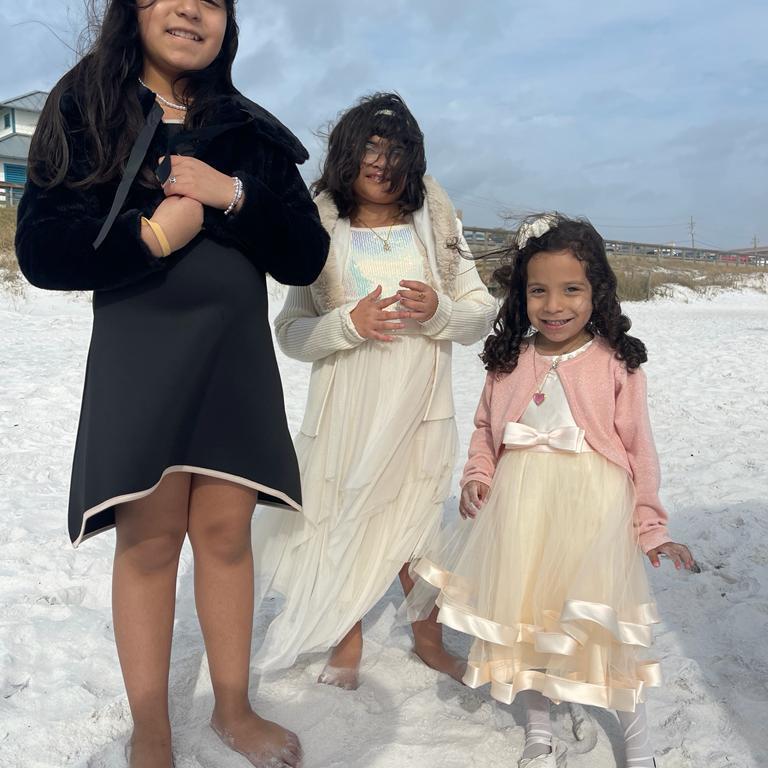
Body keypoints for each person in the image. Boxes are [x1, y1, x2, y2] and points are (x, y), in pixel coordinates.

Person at [15, 1, 328, 766]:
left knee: (225, 536)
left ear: (228, 22)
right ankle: (151, 726)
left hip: (233, 358)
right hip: (142, 354)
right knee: (150, 542)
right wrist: (150, 236)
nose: (191, 8)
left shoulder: (249, 130)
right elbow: (43, 249)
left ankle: (233, 708)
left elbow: (306, 254)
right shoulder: (87, 106)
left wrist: (234, 194)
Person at [405, 213, 696, 767]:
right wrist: (478, 475)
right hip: (520, 511)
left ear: (597, 292)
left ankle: (636, 741)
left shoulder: (615, 363)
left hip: (594, 511)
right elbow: (486, 430)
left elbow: (641, 450)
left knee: (602, 627)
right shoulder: (509, 360)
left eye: (571, 290)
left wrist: (652, 528)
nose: (554, 304)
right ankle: (538, 728)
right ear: (521, 295)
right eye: (538, 290)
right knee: (526, 622)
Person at [250, 93, 497, 689]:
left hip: (420, 407)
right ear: (347, 153)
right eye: (370, 147)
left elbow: (481, 312)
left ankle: (430, 642)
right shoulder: (320, 228)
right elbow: (290, 332)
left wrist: (439, 311)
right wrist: (347, 324)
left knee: (418, 526)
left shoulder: (436, 224)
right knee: (339, 521)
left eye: (396, 151)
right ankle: (347, 639)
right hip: (345, 409)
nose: (382, 163)